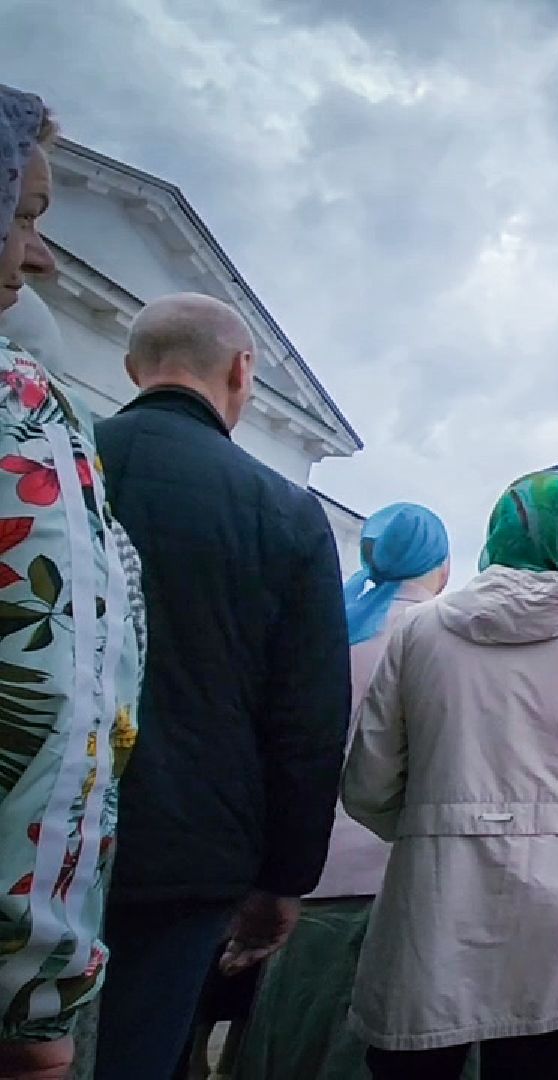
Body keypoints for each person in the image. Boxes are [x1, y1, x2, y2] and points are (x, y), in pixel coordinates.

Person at [94, 293, 351, 1080]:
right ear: (242, 372)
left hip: (28, 823)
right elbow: (307, 720)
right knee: (139, 1049)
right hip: (185, 853)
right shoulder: (282, 512)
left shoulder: (56, 466)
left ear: (133, 368)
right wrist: (284, 878)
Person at [341, 471, 558, 1078]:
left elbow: (368, 780)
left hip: (437, 895)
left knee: (421, 1057)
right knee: (539, 1060)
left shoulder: (419, 633)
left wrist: (429, 827)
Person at [0, 85, 144, 1080]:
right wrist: (37, 988)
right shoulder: (26, 418)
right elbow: (58, 705)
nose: (41, 258)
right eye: (24, 214)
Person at [228, 502, 450, 1080]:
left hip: (308, 865)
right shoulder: (441, 637)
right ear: (441, 563)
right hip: (396, 868)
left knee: (292, 1031)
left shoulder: (333, 626)